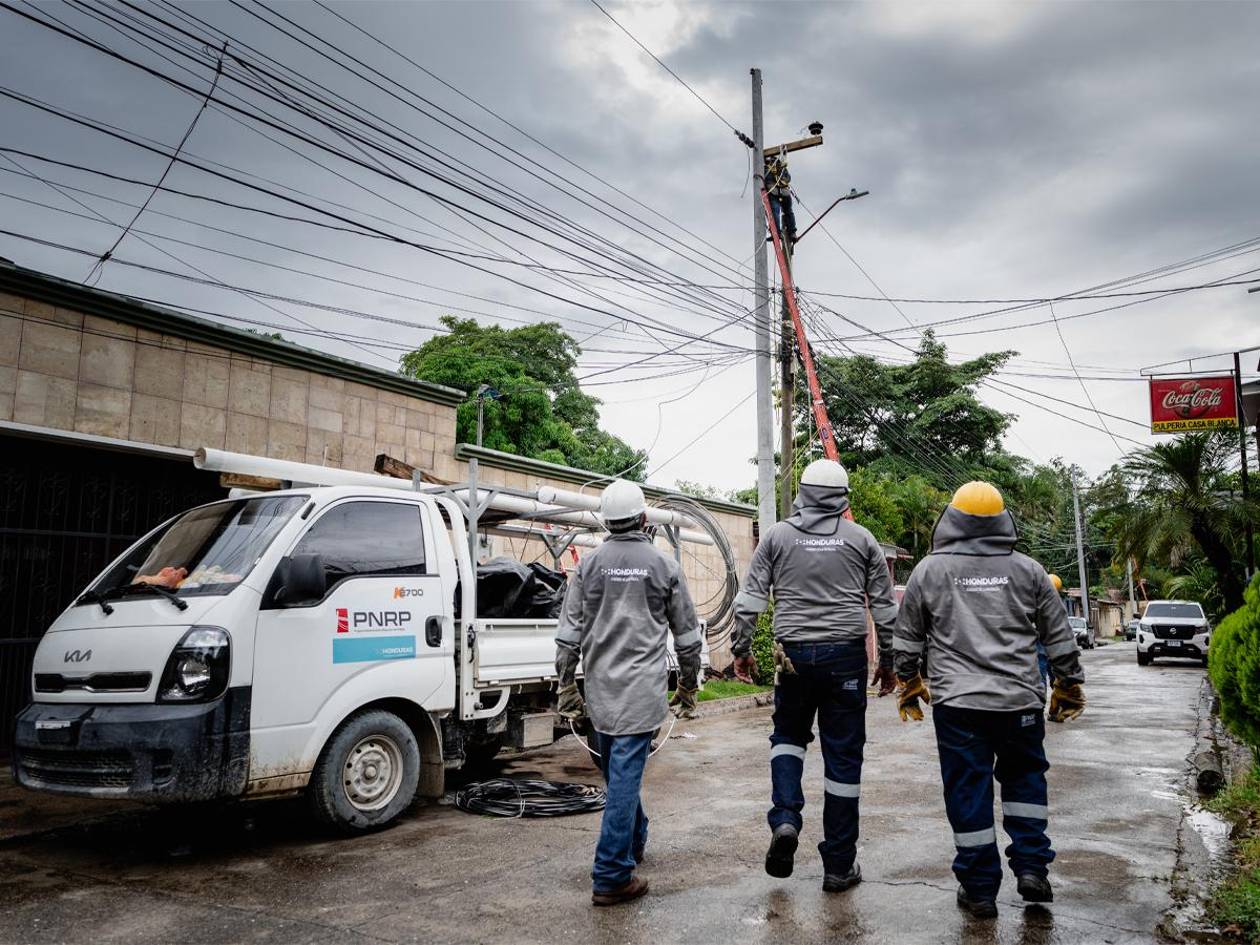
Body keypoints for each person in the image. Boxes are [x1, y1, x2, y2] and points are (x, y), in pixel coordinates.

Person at [894, 481, 1086, 920]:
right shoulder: (1030, 571)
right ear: (1002, 520)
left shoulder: (929, 570)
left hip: (959, 707)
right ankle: (1033, 868)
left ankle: (980, 890)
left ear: (952, 519)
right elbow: (1058, 636)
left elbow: (906, 639)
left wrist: (908, 682)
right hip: (1019, 702)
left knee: (968, 791)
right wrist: (1068, 683)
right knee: (1025, 783)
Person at [731, 459, 899, 892]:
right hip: (845, 658)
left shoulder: (777, 536)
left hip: (793, 658)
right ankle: (839, 866)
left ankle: (785, 819)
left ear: (802, 492)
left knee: (787, 737)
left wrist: (741, 650)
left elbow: (750, 600)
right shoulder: (863, 540)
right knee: (843, 757)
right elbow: (883, 609)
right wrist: (889, 661)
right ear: (844, 497)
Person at [554, 479, 703, 907]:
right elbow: (688, 639)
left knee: (619, 776)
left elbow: (567, 637)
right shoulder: (663, 566)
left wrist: (566, 687)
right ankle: (611, 875)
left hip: (599, 694)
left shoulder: (588, 567)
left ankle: (635, 840)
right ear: (643, 518)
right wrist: (689, 688)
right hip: (641, 696)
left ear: (606, 520)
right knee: (622, 781)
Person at [764, 152, 796, 245]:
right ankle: (792, 232)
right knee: (788, 212)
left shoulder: (766, 168)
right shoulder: (782, 167)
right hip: (784, 193)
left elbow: (763, 179)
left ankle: (777, 233)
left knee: (775, 212)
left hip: (774, 193)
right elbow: (788, 178)